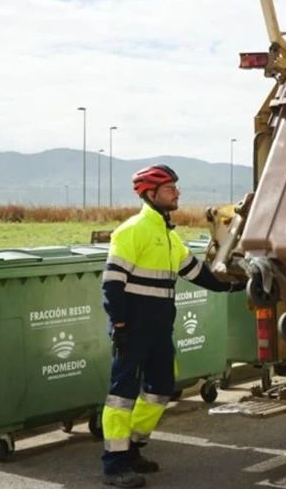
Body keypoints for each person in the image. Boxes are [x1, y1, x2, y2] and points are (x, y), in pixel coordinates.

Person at [99, 164, 245, 488]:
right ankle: (114, 466)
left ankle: (133, 449)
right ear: (150, 194)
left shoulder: (170, 238)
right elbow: (111, 285)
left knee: (160, 389)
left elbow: (198, 274)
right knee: (120, 397)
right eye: (170, 188)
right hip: (132, 330)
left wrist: (234, 285)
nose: (177, 192)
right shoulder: (131, 231)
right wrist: (119, 324)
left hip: (160, 331)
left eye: (176, 187)